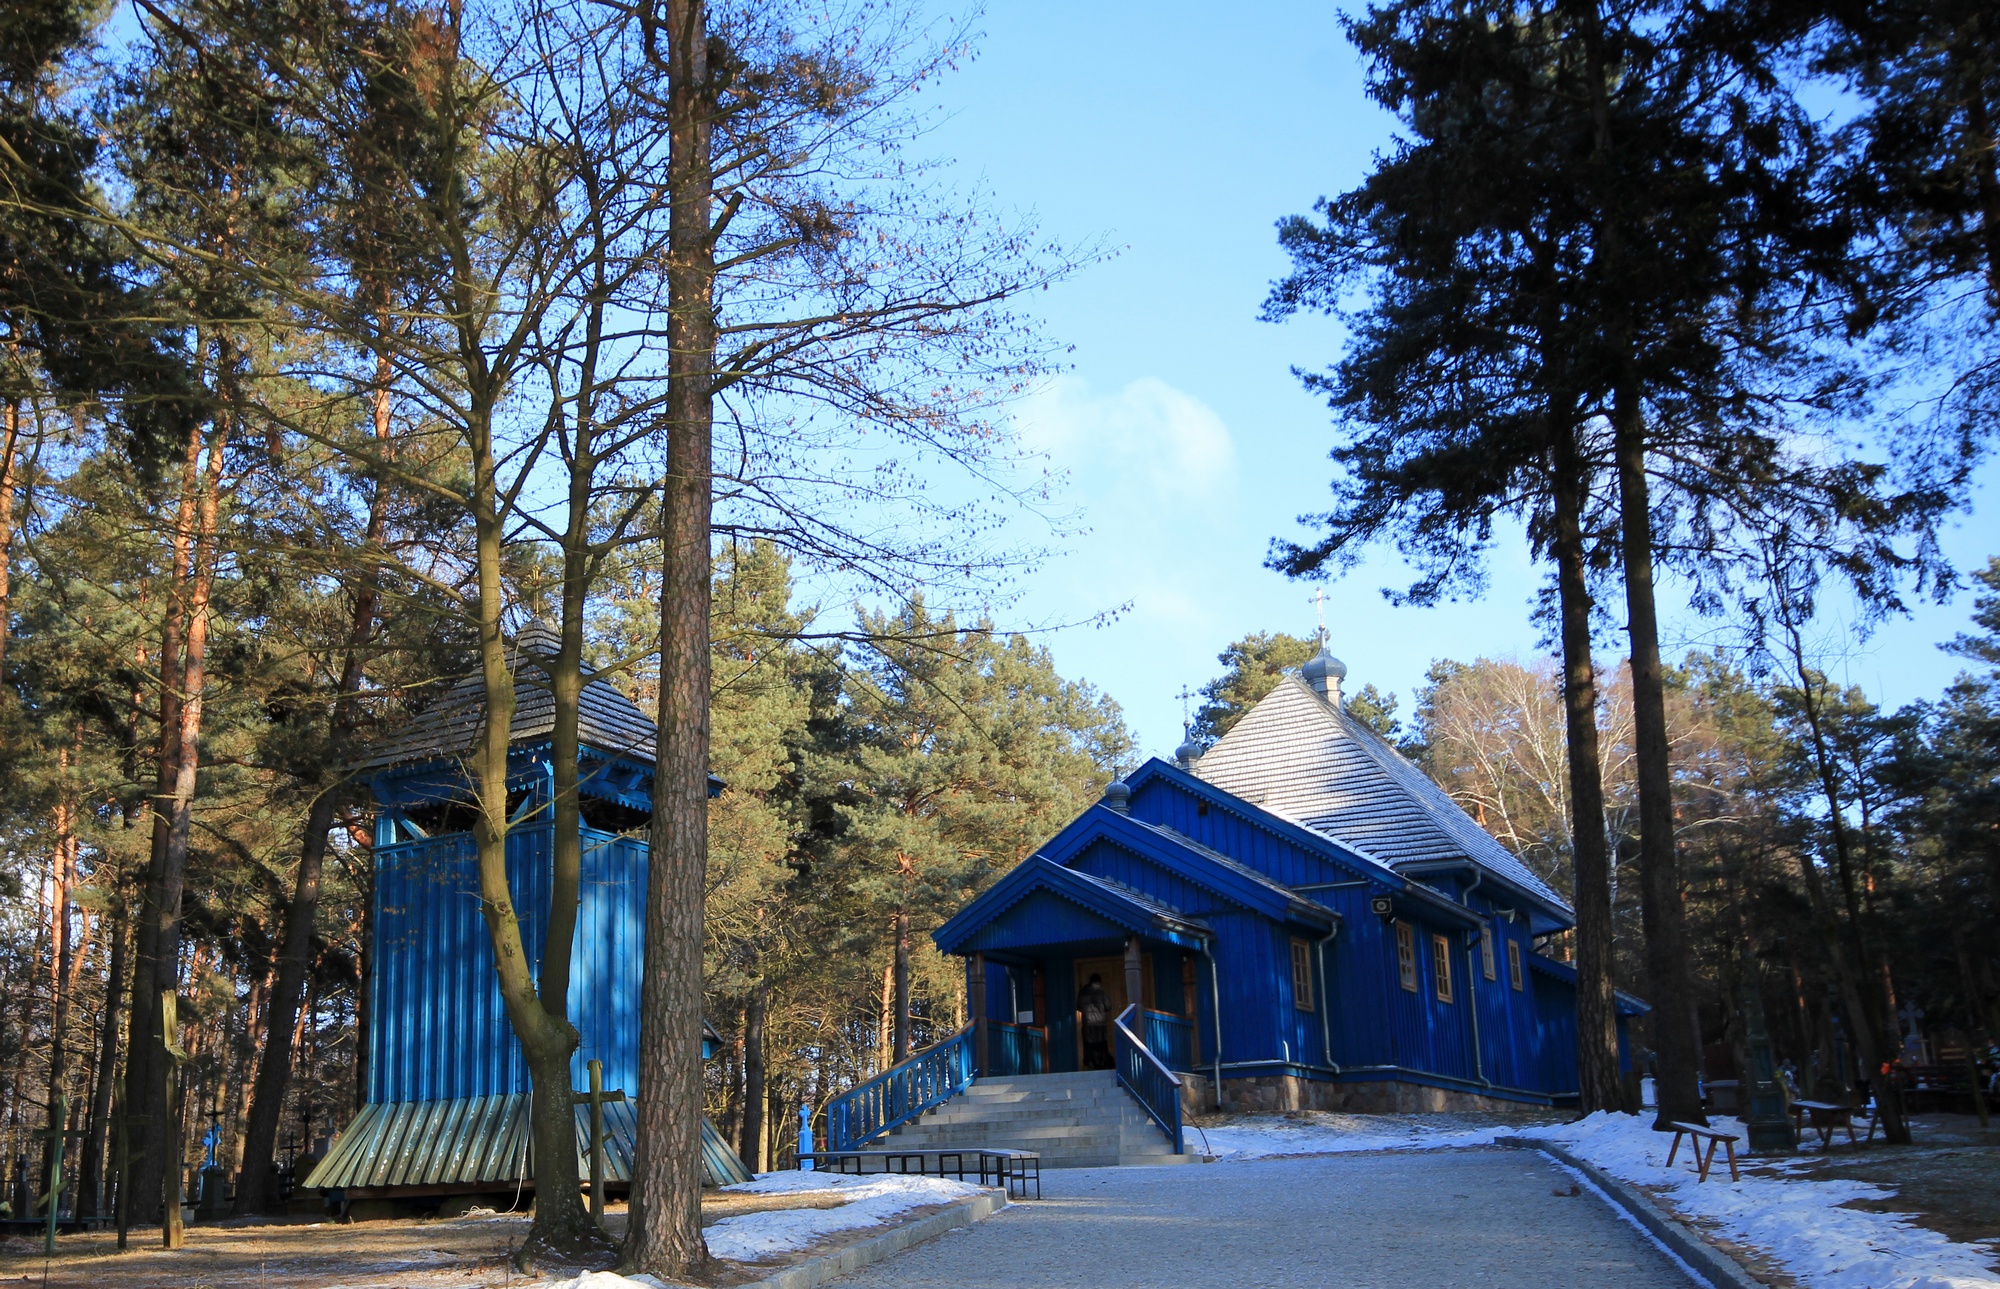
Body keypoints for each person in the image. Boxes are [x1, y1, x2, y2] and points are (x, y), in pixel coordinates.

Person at [1078, 973, 1113, 1070]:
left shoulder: (1083, 992)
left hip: (1088, 1023)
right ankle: (1102, 1062)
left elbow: (1079, 1007)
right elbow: (1108, 1006)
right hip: (1101, 1022)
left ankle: (1091, 1062)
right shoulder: (1102, 992)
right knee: (1101, 1043)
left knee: (1089, 1043)